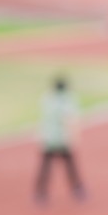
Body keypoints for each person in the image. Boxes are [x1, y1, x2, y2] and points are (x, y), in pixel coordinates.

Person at [33, 75, 87, 204]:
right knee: (70, 165)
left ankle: (40, 192)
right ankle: (77, 188)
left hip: (48, 138)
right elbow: (70, 120)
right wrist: (75, 137)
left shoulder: (47, 98)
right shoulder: (67, 100)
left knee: (46, 166)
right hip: (62, 139)